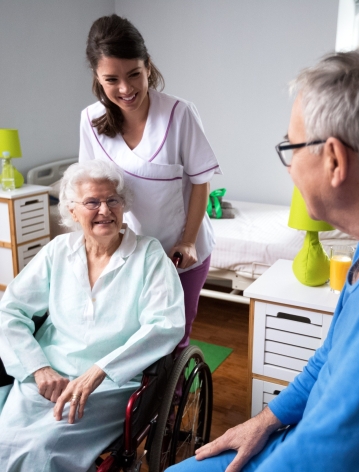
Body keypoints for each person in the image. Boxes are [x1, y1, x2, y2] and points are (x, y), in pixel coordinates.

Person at [168, 45, 359, 472]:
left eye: (291, 146)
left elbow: (341, 458)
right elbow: (330, 356)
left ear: (334, 159)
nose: (289, 166)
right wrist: (268, 418)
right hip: (301, 436)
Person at [0, 160, 185, 471]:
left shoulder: (149, 254)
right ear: (73, 211)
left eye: (112, 200)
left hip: (110, 384)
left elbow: (164, 325)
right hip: (47, 378)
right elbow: (10, 311)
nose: (104, 210)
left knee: (43, 448)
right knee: (5, 439)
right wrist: (38, 367)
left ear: (123, 205)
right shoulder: (58, 251)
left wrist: (101, 370)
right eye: (92, 202)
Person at [79, 14, 221, 356]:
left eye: (134, 75)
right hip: (129, 251)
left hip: (180, 253)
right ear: (97, 77)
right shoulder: (90, 120)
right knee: (131, 337)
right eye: (112, 79)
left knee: (172, 339)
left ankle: (171, 408)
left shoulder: (179, 113)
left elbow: (201, 182)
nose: (125, 89)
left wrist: (187, 242)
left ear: (148, 67)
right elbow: (90, 186)